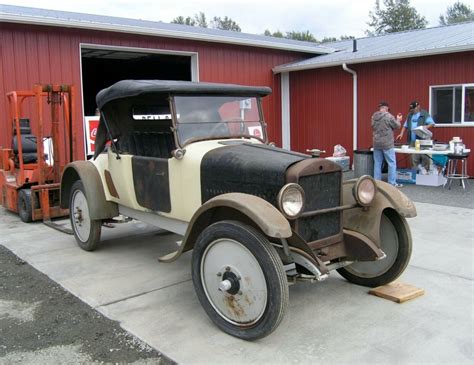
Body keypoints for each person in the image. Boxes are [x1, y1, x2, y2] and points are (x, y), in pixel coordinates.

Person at [396, 101, 435, 172]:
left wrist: (424, 127)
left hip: (423, 140)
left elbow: (432, 124)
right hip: (412, 140)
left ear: (418, 107)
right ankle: (415, 173)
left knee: (424, 157)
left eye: (413, 109)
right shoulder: (410, 115)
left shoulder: (424, 114)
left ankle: (425, 173)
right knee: (414, 157)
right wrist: (401, 134)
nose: (412, 111)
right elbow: (405, 126)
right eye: (411, 109)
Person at [371, 101, 402, 187]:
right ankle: (392, 183)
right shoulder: (389, 116)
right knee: (391, 163)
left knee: (377, 163)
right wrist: (398, 120)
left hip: (376, 143)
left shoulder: (374, 117)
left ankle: (377, 183)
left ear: (380, 108)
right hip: (387, 143)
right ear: (386, 108)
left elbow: (372, 126)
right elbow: (397, 126)